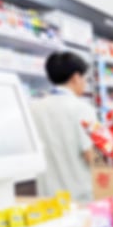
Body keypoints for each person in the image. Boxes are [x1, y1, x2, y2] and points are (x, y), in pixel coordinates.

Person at [30, 52, 96, 203]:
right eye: (85, 79)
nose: (85, 84)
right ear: (76, 78)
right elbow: (91, 156)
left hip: (47, 198)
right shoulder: (82, 109)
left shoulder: (34, 108)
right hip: (80, 197)